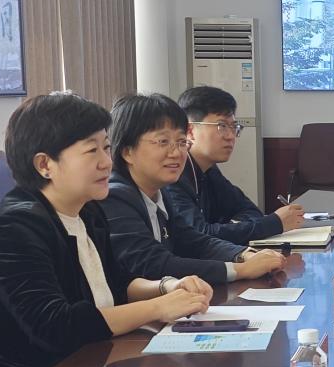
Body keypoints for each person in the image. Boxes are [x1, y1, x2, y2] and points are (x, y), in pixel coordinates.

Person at [0, 93, 212, 367]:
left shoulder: (87, 211)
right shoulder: (13, 228)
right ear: (45, 165)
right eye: (92, 150)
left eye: (106, 147)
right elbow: (58, 327)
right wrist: (159, 308)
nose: (107, 161)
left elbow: (116, 283)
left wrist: (167, 287)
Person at [101, 93, 285, 286]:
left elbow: (194, 241)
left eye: (181, 142)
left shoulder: (158, 193)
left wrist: (243, 254)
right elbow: (153, 264)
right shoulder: (114, 197)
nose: (176, 153)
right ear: (127, 151)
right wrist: (240, 270)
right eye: (163, 142)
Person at [167, 85, 304, 243]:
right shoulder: (173, 174)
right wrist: (275, 223)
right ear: (190, 131)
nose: (231, 136)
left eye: (234, 127)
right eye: (222, 126)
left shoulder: (209, 170)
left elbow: (249, 210)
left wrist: (231, 228)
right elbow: (199, 235)